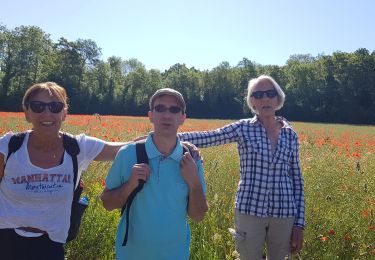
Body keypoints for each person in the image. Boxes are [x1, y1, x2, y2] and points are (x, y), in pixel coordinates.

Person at [179, 75, 305, 260]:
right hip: (249, 211)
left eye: (270, 93)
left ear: (278, 98)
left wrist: (299, 224)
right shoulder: (243, 128)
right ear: (252, 102)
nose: (265, 99)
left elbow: (297, 179)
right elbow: (209, 137)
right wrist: (163, 137)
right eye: (258, 94)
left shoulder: (290, 134)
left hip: (284, 213)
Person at [0, 82, 129, 260]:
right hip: (5, 242)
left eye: (55, 106)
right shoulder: (8, 147)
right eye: (37, 106)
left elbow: (123, 149)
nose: (47, 113)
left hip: (50, 247)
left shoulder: (78, 147)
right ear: (27, 113)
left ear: (64, 113)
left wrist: (173, 139)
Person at [101, 88, 208, 260]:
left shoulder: (191, 160)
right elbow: (107, 203)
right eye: (160, 108)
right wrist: (129, 185)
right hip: (132, 254)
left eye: (174, 109)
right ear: (150, 115)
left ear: (182, 118)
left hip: (176, 254)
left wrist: (194, 182)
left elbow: (198, 216)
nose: (167, 115)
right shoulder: (127, 154)